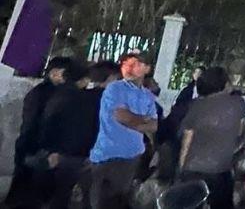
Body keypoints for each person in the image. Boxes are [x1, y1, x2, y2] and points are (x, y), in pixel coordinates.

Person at [40, 61, 119, 209]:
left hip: (64, 155)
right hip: (91, 159)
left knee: (60, 199)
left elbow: (55, 124)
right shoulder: (110, 103)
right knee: (91, 200)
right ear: (112, 78)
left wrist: (52, 150)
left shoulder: (75, 97)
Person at [89, 50, 158, 209]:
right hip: (107, 155)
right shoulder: (115, 88)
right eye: (126, 64)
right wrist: (143, 120)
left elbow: (153, 125)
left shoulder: (147, 96)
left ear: (147, 69)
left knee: (119, 201)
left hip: (131, 157)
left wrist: (134, 120)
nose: (129, 68)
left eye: (136, 64)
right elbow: (121, 116)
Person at [5, 56, 74, 208]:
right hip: (36, 148)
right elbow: (33, 124)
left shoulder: (50, 93)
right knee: (29, 194)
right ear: (54, 73)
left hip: (34, 147)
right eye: (66, 74)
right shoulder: (43, 95)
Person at [178, 66, 245, 209]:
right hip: (221, 168)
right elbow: (240, 132)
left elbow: (187, 140)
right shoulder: (237, 103)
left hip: (193, 167)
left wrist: (181, 168)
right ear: (224, 83)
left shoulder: (196, 105)